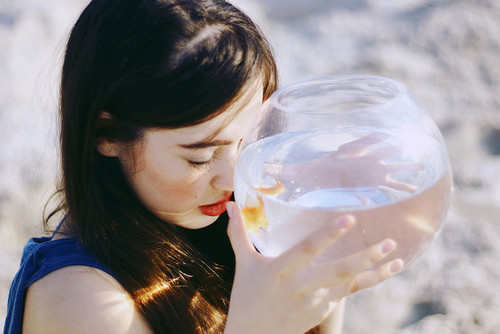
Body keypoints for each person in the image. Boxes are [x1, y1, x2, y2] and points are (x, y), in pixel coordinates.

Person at [4, 0, 404, 333]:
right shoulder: (79, 301)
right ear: (106, 135)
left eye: (250, 142)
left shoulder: (215, 221)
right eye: (199, 156)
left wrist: (314, 242)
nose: (233, 178)